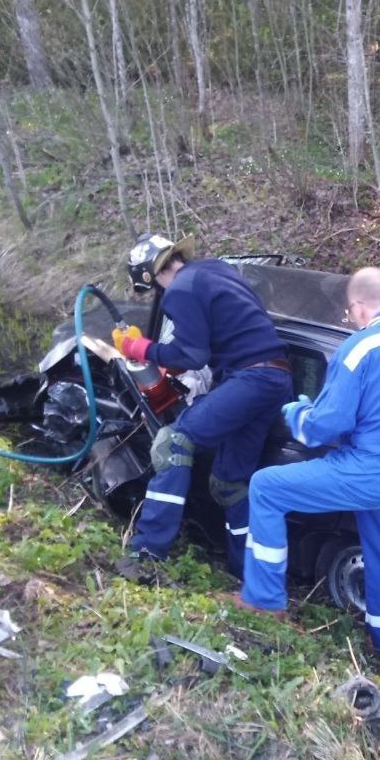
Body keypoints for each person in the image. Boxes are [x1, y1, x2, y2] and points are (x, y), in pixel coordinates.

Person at [238, 268, 380, 661]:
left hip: (371, 471)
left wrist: (298, 412)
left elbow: (326, 427)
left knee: (265, 488)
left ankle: (264, 600)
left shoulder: (358, 348)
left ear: (356, 308)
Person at [113, 232, 293, 578]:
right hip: (276, 379)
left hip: (250, 381)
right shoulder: (217, 270)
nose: (156, 295)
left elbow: (193, 354)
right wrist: (167, 358)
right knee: (231, 481)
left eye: (151, 289)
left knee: (173, 443)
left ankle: (148, 552)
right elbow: (213, 339)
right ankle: (246, 573)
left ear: (150, 275)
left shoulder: (179, 290)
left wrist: (140, 349)